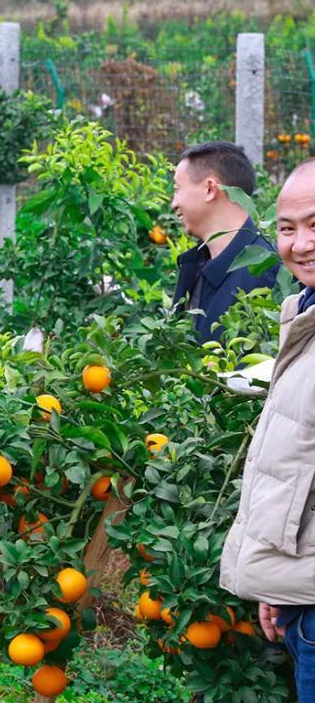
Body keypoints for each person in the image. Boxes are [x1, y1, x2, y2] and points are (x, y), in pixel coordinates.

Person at [219, 158, 315, 702]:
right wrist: (278, 576)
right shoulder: (304, 314)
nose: (300, 243)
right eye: (287, 228)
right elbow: (295, 464)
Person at [170, 141, 279, 342]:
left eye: (177, 189)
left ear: (210, 188)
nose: (173, 203)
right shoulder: (194, 265)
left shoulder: (267, 272)